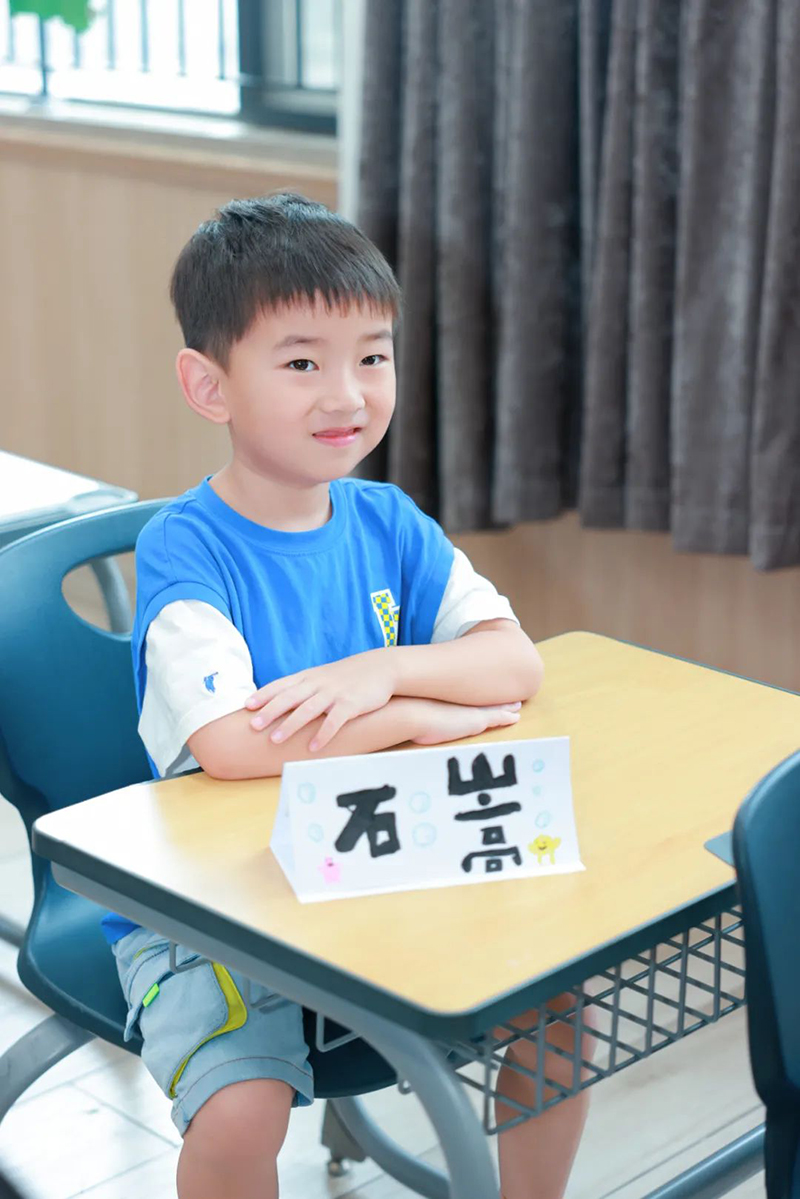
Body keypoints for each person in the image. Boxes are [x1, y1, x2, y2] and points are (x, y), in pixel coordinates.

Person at [106, 193, 591, 1199]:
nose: (348, 394)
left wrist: (385, 670)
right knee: (241, 1109)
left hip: (380, 853)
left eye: (372, 356)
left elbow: (513, 665)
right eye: (301, 363)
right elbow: (234, 745)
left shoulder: (388, 520)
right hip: (217, 897)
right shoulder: (185, 547)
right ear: (208, 385)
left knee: (558, 1013)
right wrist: (413, 716)